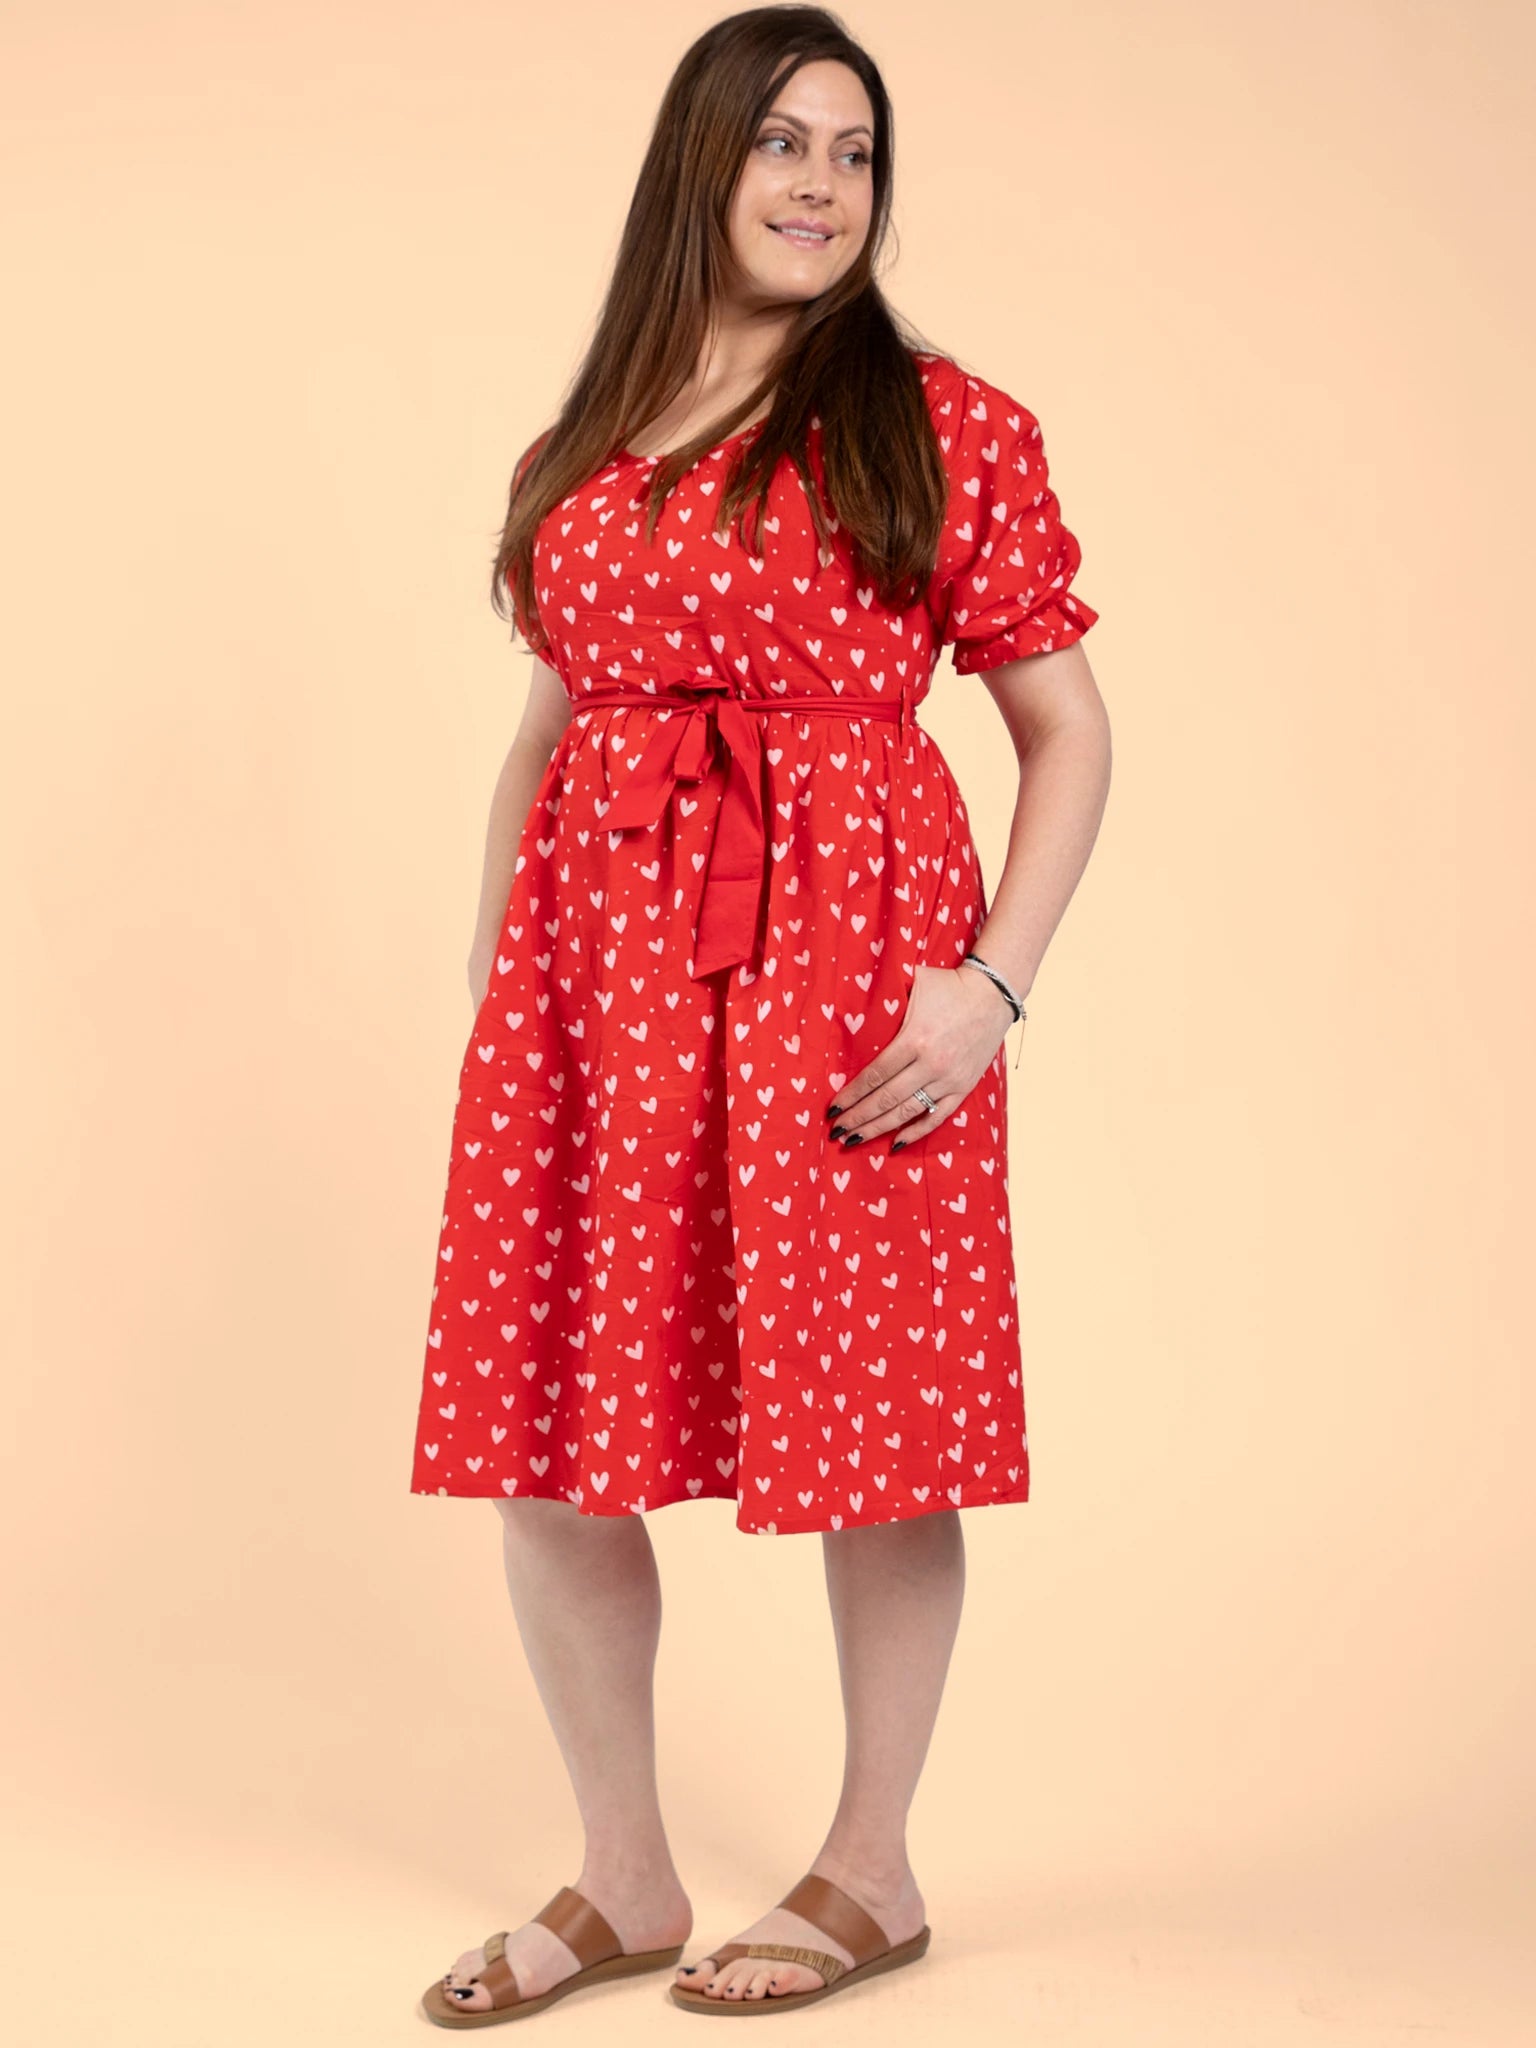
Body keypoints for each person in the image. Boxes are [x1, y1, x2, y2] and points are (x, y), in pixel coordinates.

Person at [411, 4, 1111, 2025]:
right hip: (596, 998)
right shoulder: (591, 439)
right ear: (701, 164)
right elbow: (546, 732)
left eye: (857, 152)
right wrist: (502, 982)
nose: (821, 185)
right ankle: (621, 1874)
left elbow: (1068, 733)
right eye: (785, 144)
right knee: (551, 1433)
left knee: (877, 1426)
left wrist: (991, 989)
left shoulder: (942, 424)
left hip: (843, 999)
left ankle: (871, 1870)